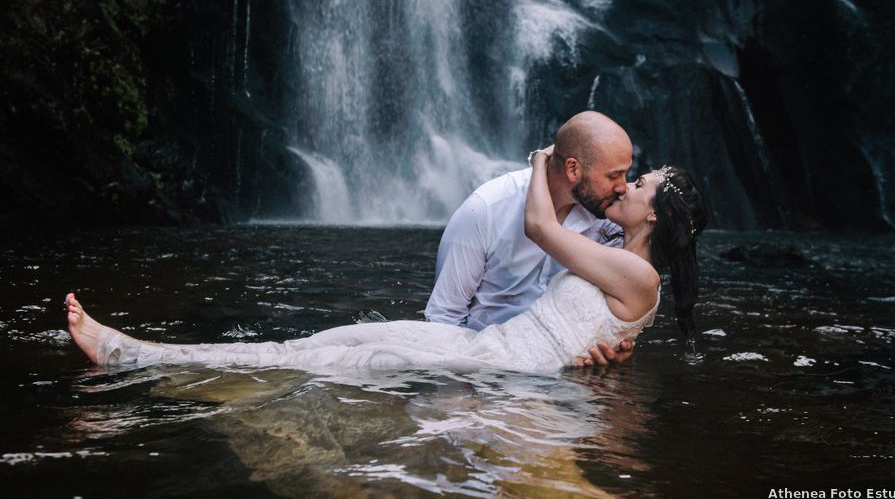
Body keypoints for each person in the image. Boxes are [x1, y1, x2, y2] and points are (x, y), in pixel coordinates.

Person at [65, 147, 708, 373]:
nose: (624, 185)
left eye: (638, 183)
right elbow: (608, 323)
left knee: (329, 361)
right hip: (489, 348)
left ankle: (133, 355)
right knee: (321, 340)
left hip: (504, 365)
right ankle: (137, 352)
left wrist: (541, 161)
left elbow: (541, 226)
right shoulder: (611, 248)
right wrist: (613, 354)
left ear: (653, 214)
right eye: (624, 175)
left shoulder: (635, 271)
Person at [425, 111, 635, 367]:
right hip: (485, 367)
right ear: (572, 169)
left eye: (626, 174)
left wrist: (612, 345)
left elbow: (610, 309)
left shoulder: (608, 222)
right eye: (613, 176)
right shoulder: (486, 210)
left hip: (567, 370)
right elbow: (444, 318)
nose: (623, 187)